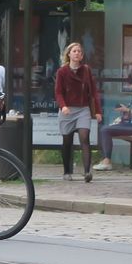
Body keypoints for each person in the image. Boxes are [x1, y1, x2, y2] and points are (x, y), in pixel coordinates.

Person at [54, 41, 101, 181]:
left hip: (83, 109)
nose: (77, 53)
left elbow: (93, 92)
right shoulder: (62, 71)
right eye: (74, 51)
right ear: (69, 54)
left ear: (82, 55)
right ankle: (67, 171)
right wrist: (63, 106)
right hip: (67, 109)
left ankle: (87, 172)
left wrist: (97, 111)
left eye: (79, 51)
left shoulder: (86, 70)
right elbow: (58, 92)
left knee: (84, 137)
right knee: (67, 141)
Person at [95, 69, 132, 171]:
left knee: (105, 130)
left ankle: (107, 161)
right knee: (105, 129)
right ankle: (106, 159)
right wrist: (127, 112)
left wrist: (126, 109)